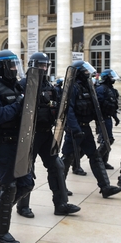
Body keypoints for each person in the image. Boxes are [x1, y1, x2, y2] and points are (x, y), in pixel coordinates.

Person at [15, 52, 80, 218]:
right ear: (33, 66)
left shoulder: (49, 87)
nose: (43, 68)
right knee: (27, 169)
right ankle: (23, 206)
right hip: (29, 134)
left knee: (56, 165)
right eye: (40, 65)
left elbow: (59, 107)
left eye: (45, 65)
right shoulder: (23, 84)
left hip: (46, 133)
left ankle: (61, 204)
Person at [0, 50, 33, 243]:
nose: (14, 69)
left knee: (26, 184)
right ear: (1, 67)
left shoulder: (16, 86)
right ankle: (0, 232)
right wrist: (17, 106)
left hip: (20, 144)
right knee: (9, 187)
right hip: (3, 144)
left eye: (15, 65)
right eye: (10, 66)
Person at [61, 61, 121, 198]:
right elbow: (68, 110)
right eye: (85, 71)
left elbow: (93, 106)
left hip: (85, 127)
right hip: (74, 129)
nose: (88, 74)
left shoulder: (87, 87)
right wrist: (75, 129)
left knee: (95, 156)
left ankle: (105, 187)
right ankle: (60, 187)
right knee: (67, 157)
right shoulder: (73, 88)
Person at [95, 69, 120, 170]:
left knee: (108, 140)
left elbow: (112, 104)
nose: (113, 79)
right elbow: (99, 105)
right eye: (111, 77)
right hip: (102, 118)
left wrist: (115, 116)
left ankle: (103, 162)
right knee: (106, 140)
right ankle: (97, 160)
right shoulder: (101, 89)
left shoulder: (111, 89)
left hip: (108, 117)